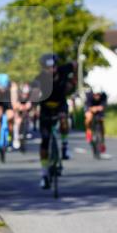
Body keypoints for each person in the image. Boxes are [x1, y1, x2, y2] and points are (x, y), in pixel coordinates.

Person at [31, 54, 77, 189]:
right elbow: (34, 96)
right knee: (45, 141)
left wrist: (73, 79)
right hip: (45, 110)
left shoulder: (63, 70)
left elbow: (75, 64)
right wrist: (32, 108)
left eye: (54, 66)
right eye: (49, 68)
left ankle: (64, 147)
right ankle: (44, 175)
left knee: (64, 120)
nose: (53, 69)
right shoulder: (39, 79)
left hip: (60, 105)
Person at [84, 87, 109, 152]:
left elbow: (104, 106)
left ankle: (102, 142)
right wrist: (92, 109)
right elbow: (87, 106)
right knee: (88, 117)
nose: (97, 96)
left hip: (99, 111)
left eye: (98, 95)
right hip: (90, 110)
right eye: (95, 95)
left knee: (102, 122)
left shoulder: (104, 96)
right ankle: (88, 130)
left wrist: (99, 109)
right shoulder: (89, 96)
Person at [12, 82, 33, 149]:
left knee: (30, 115)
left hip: (27, 107)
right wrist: (19, 107)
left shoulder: (30, 95)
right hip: (18, 107)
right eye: (24, 94)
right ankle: (16, 138)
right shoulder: (17, 94)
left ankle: (28, 128)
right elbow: (15, 104)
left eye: (26, 94)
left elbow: (30, 104)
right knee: (17, 120)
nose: (25, 95)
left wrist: (27, 106)